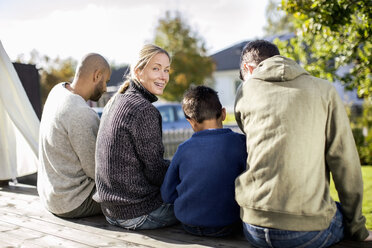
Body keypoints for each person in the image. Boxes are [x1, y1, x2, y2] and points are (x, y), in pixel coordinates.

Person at [234, 39, 372, 247]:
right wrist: (358, 228)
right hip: (304, 234)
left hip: (253, 227)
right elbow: (345, 162)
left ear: (247, 68)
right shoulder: (324, 90)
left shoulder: (245, 92)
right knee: (341, 214)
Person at [94, 44, 178, 230]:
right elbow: (155, 172)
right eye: (156, 68)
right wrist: (183, 170)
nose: (163, 76)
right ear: (138, 71)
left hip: (111, 211)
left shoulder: (117, 100)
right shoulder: (143, 110)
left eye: (166, 70)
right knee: (204, 201)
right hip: (137, 213)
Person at [161, 85, 247, 237]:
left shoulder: (183, 149)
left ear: (191, 121)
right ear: (224, 113)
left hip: (189, 225)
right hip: (229, 224)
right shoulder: (240, 143)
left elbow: (167, 194)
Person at [38, 53, 111, 218]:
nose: (106, 88)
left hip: (50, 194)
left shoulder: (57, 91)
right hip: (73, 202)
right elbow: (99, 171)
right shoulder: (81, 113)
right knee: (136, 197)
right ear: (97, 75)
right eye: (105, 81)